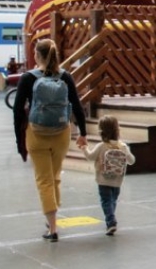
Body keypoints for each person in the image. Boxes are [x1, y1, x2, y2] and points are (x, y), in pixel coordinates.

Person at [12, 38, 87, 242]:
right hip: (61, 133)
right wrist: (83, 132)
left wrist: (19, 136)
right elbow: (77, 106)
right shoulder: (65, 76)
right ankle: (52, 216)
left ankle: (52, 227)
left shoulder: (28, 78)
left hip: (36, 134)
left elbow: (18, 109)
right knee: (54, 177)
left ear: (37, 55)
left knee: (44, 180)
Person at [79, 116, 135, 236]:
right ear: (117, 130)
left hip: (103, 179)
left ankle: (111, 222)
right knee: (112, 200)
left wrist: (84, 148)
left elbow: (90, 157)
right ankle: (111, 219)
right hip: (117, 180)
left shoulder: (101, 146)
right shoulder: (122, 146)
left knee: (106, 201)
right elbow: (132, 160)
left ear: (101, 131)